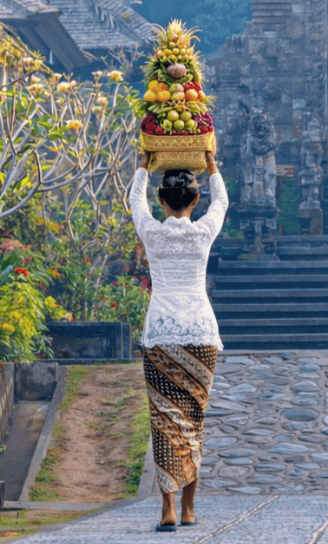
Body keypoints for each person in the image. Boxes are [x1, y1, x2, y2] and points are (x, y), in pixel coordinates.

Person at [128, 150, 228, 532]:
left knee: (165, 419)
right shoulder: (204, 232)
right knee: (193, 419)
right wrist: (212, 163)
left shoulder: (152, 232)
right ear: (194, 200)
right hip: (200, 332)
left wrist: (142, 165)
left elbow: (135, 202)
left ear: (161, 201)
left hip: (162, 333)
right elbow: (222, 201)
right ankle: (188, 507)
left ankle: (167, 508)